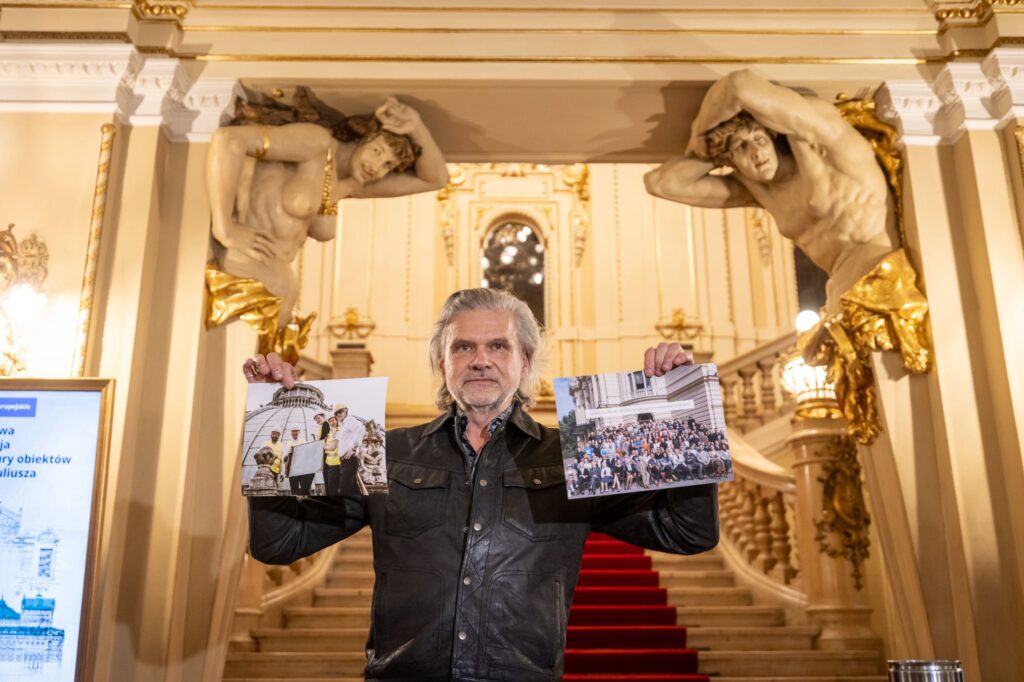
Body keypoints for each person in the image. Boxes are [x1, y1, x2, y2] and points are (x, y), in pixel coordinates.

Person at [241, 287, 718, 682]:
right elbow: (279, 543)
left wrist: (688, 412)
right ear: (442, 364)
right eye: (463, 347)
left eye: (498, 346)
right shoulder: (384, 451)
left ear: (525, 362)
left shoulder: (573, 455)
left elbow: (687, 532)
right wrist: (273, 426)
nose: (480, 360)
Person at [643, 69, 898, 311]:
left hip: (884, 279)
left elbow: (739, 85)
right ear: (730, 161)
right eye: (742, 148)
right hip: (840, 298)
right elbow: (660, 184)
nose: (756, 152)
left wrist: (699, 134)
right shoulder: (758, 192)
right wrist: (714, 149)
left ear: (773, 135)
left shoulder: (822, 143)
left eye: (759, 140)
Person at [208, 92, 449, 323]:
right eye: (376, 151)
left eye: (388, 165)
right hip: (243, 264)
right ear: (362, 138)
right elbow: (229, 140)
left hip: (275, 279)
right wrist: (225, 229)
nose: (377, 167)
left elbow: (436, 179)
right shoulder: (317, 143)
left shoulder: (353, 184)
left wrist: (417, 127)